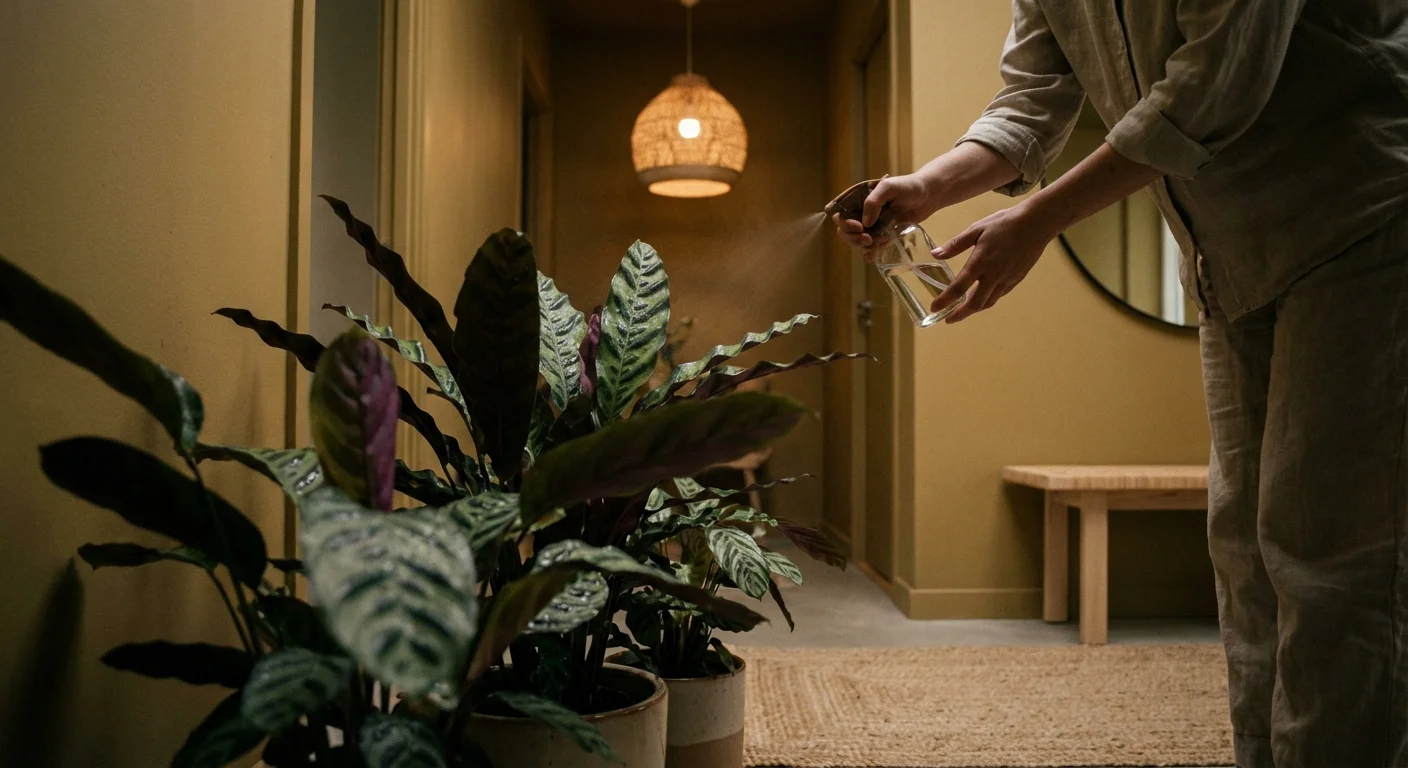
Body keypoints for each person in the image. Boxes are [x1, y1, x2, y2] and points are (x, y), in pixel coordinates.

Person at [832, 2, 1408, 766]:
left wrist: (1039, 219)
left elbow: (1213, 85)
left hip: (1358, 217)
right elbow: (1032, 96)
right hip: (1227, 262)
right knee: (1246, 560)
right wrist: (929, 185)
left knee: (1330, 558)